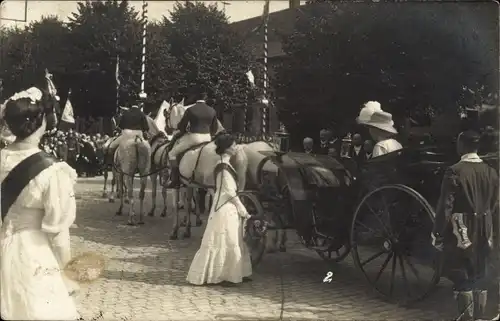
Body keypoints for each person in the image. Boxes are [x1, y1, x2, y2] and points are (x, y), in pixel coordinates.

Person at [0, 87, 80, 320]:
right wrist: (68, 273)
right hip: (32, 253)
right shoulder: (53, 171)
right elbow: (58, 233)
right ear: (42, 122)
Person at [432, 130, 499, 321]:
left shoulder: (455, 170)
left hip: (462, 228)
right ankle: (478, 316)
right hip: (485, 227)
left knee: (462, 273)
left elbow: (446, 205)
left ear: (462, 146)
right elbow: (495, 202)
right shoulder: (491, 171)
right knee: (480, 272)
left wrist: (438, 232)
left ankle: (466, 317)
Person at [186, 134, 252, 285]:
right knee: (226, 240)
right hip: (225, 206)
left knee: (233, 239)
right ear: (227, 149)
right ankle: (223, 275)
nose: (236, 148)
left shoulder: (225, 164)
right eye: (234, 145)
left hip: (226, 206)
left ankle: (236, 272)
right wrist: (243, 210)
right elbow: (229, 192)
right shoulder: (223, 166)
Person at [166, 91, 219, 188]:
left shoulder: (190, 110)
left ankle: (175, 179)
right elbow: (214, 129)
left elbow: (182, 127)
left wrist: (183, 129)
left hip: (194, 137)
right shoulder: (212, 111)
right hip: (207, 138)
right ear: (205, 99)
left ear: (195, 99)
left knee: (172, 154)